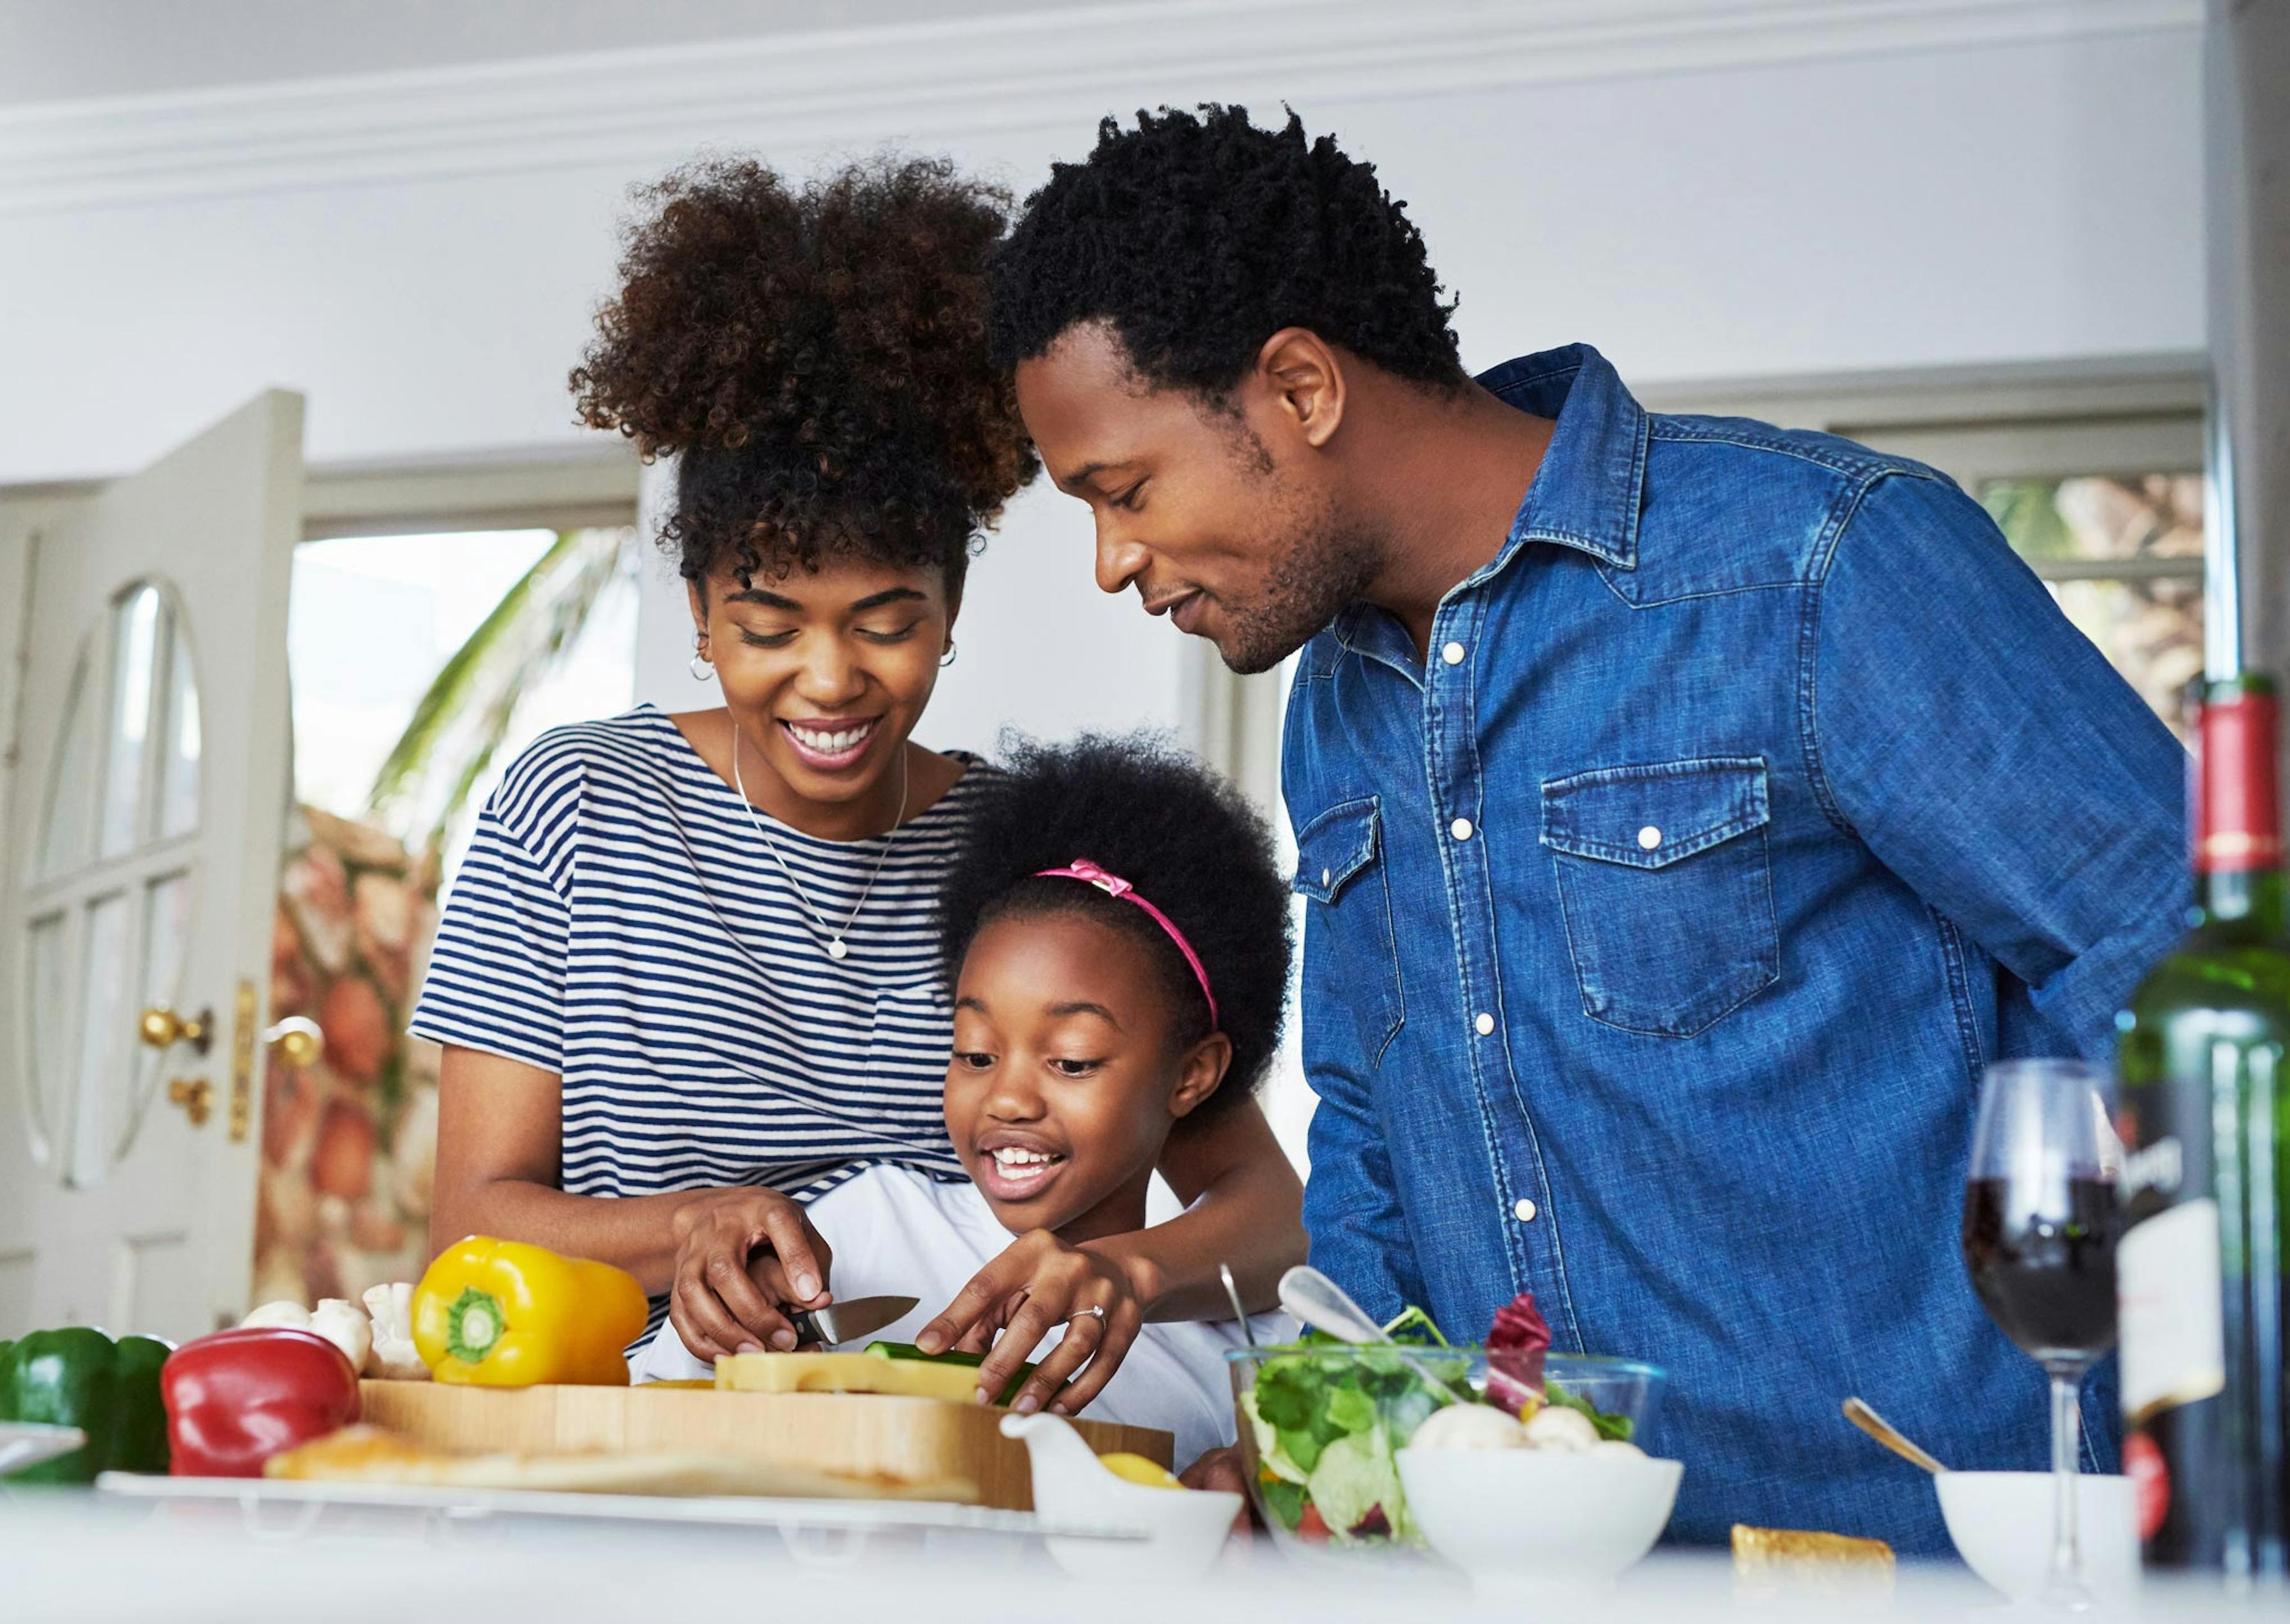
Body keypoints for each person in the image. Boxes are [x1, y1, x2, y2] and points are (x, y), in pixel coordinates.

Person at [981, 106, 2187, 1547]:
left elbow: (2177, 976)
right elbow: (1372, 1136)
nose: (1112, 560)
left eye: (1122, 490)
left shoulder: (1815, 566)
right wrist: (1340, 1459)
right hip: (1542, 1564)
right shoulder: (1337, 702)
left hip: (1928, 1558)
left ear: (1297, 385)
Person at [412, 155, 1306, 1417]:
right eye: (768, 625)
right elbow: (471, 1227)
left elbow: (1270, 1214)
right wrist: (692, 1230)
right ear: (698, 615)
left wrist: (1122, 1269)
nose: (828, 681)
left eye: (885, 622)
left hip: (950, 1424)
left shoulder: (1026, 853)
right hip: (643, 1419)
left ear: (949, 613)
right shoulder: (576, 806)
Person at [638, 734, 1294, 1465]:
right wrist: (725, 1323)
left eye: (1071, 1061)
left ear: (1192, 1076)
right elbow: (662, 1421)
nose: (1008, 1098)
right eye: (975, 1053)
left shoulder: (1242, 1332)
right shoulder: (865, 1232)